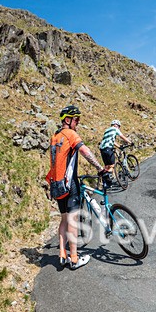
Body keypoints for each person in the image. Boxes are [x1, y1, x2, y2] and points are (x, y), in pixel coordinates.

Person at [47, 105, 112, 270]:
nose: (78, 122)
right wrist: (100, 169)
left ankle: (62, 254)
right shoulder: (70, 134)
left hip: (56, 184)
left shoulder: (55, 136)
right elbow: (85, 151)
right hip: (70, 185)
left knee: (63, 219)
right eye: (76, 119)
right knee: (73, 221)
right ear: (68, 120)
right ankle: (74, 258)